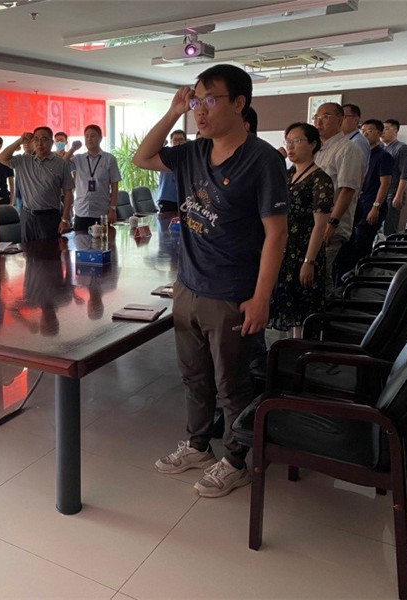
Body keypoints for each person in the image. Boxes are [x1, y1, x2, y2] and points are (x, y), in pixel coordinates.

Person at [133, 64, 288, 498]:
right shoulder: (192, 153)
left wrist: (261, 298)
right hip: (188, 287)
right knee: (194, 377)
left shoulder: (262, 160)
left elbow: (276, 234)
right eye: (196, 101)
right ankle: (198, 445)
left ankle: (236, 461)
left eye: (210, 100)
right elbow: (142, 158)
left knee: (233, 385)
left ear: (239, 103)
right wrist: (173, 111)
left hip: (232, 294)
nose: (200, 110)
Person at [270, 123, 334, 337]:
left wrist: (309, 261)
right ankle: (290, 349)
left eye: (297, 141)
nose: (290, 146)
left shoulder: (321, 180)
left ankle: (301, 351)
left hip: (305, 250)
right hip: (285, 250)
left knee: (303, 307)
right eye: (288, 141)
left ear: (313, 144)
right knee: (288, 308)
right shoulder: (288, 175)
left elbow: (320, 225)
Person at [311, 102, 364, 289]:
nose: (319, 122)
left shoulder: (348, 149)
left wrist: (331, 224)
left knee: (319, 274)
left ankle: (326, 306)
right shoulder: (317, 150)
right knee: (315, 275)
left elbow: (347, 190)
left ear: (340, 121)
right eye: (316, 117)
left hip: (331, 226)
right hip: (315, 223)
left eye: (325, 117)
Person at [335, 119, 394, 277]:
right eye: (364, 131)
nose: (366, 134)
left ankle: (361, 278)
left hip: (372, 204)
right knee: (352, 243)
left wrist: (376, 207)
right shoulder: (362, 153)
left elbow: (385, 184)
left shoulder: (384, 156)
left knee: (362, 244)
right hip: (361, 203)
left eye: (370, 131)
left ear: (379, 133)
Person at [0, 127, 74, 242]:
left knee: (50, 251)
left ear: (51, 142)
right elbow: (1, 158)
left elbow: (68, 192)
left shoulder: (61, 164)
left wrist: (65, 219)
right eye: (36, 139)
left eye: (44, 139)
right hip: (27, 217)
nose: (40, 143)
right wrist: (20, 141)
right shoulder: (24, 161)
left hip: (50, 217)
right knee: (27, 251)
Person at [69, 125, 121, 231]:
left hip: (101, 212)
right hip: (81, 212)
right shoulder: (78, 159)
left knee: (102, 240)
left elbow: (115, 186)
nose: (89, 139)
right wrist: (72, 149)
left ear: (100, 138)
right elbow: (61, 165)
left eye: (92, 136)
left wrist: (113, 209)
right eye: (86, 136)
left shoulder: (109, 159)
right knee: (80, 240)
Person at [381, 119, 407, 235]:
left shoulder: (402, 148)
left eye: (386, 129)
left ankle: (390, 245)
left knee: (389, 227)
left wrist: (398, 195)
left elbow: (405, 173)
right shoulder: (383, 149)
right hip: (382, 192)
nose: (382, 132)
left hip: (393, 192)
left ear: (395, 131)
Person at [154, 130, 187, 213]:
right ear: (171, 141)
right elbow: (153, 150)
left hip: (183, 198)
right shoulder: (166, 154)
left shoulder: (189, 155)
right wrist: (163, 142)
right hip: (166, 198)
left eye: (181, 140)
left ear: (185, 141)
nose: (178, 142)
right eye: (175, 140)